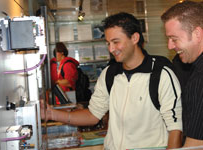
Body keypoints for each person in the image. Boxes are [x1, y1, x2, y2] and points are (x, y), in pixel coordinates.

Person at [41, 12, 182, 149]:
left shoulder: (161, 74)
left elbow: (175, 128)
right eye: (108, 43)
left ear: (134, 38)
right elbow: (92, 115)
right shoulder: (109, 74)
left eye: (116, 42)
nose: (111, 49)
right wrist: (52, 114)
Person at [161, 1, 203, 147]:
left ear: (197, 34)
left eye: (174, 39)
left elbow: (195, 145)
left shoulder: (198, 80)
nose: (170, 46)